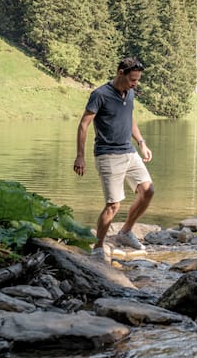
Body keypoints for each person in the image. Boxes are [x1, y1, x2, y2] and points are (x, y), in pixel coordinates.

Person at [74, 57, 155, 261]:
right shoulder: (100, 95)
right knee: (113, 204)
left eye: (137, 80)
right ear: (120, 73)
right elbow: (84, 125)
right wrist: (80, 156)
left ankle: (125, 232)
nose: (135, 84)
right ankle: (99, 247)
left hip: (129, 151)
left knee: (147, 191)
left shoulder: (130, 93)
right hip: (108, 154)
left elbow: (130, 118)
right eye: (132, 80)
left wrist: (141, 142)